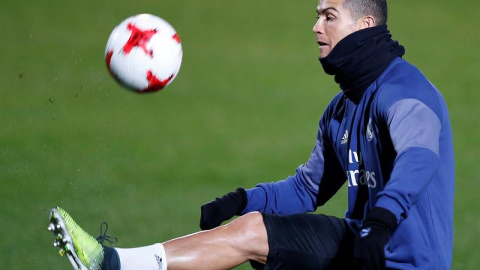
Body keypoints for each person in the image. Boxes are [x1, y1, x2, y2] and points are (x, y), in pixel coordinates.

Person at [48, 0, 455, 269]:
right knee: (260, 239)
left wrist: (380, 221)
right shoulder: (340, 110)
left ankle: (112, 264)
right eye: (317, 15)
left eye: (329, 16)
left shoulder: (406, 92)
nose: (316, 27)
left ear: (365, 25)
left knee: (257, 234)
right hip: (361, 248)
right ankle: (113, 262)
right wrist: (242, 199)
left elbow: (419, 158)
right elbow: (306, 189)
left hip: (402, 260)